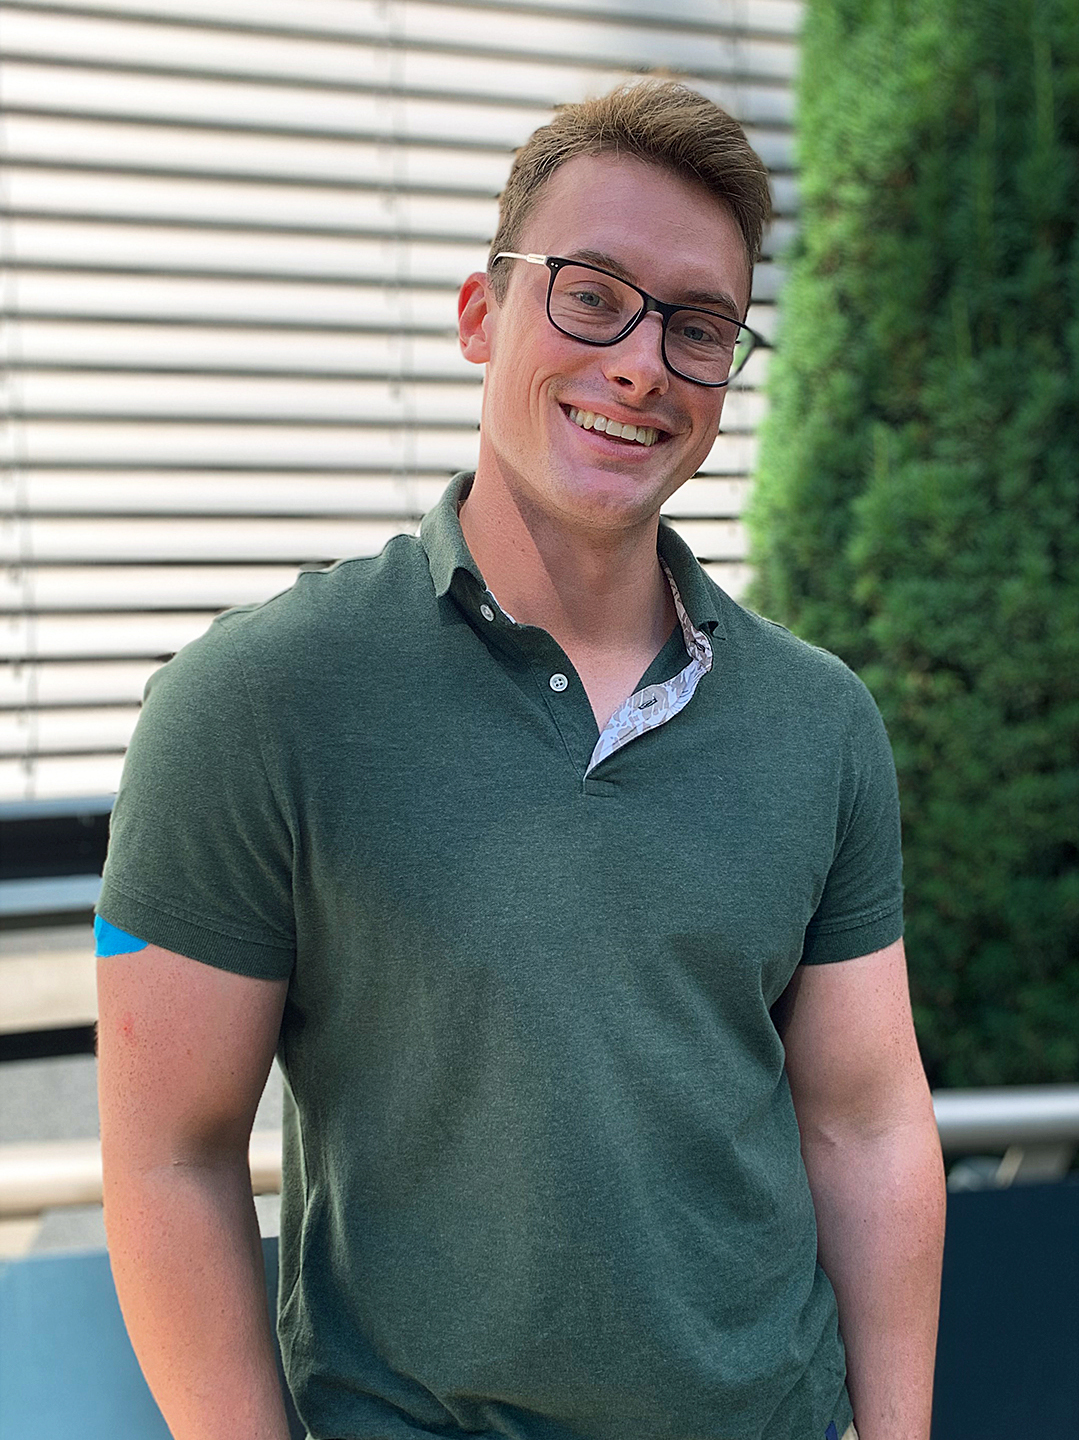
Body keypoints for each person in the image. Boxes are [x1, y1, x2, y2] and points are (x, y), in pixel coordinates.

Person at [95, 80, 945, 1440]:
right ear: (481, 316)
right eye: (591, 295)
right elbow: (169, 1159)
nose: (641, 365)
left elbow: (867, 1123)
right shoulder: (254, 703)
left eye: (698, 326)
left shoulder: (819, 721)